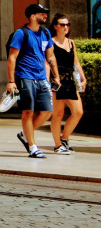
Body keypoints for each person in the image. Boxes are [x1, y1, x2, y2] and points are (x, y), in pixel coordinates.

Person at [7, 3, 61, 158]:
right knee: (28, 111)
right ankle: (32, 146)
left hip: (42, 78)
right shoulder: (21, 33)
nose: (45, 16)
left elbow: (50, 56)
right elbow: (12, 57)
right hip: (25, 77)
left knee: (47, 111)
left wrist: (56, 76)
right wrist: (11, 81)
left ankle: (24, 134)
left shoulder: (45, 33)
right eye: (41, 13)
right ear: (32, 16)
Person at [50, 13, 86, 154]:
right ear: (55, 26)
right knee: (58, 114)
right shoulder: (51, 43)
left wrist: (83, 78)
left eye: (67, 24)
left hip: (70, 79)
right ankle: (58, 145)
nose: (66, 27)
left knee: (78, 112)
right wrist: (53, 79)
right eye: (62, 24)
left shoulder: (71, 42)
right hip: (57, 80)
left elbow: (75, 62)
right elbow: (50, 62)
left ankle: (64, 138)